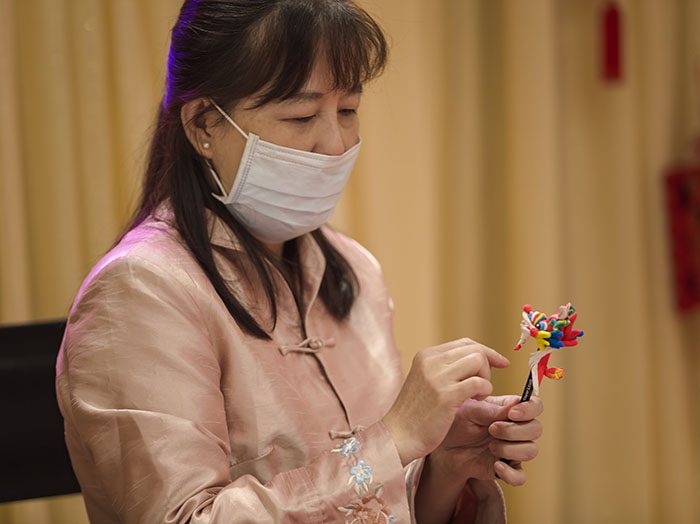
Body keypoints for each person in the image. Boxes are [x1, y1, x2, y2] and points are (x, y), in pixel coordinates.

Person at [55, 1, 543, 523]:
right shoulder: (142, 290)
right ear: (202, 124)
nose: (336, 144)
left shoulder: (354, 271)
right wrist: (392, 441)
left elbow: (378, 506)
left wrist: (443, 467)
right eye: (302, 116)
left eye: (349, 110)